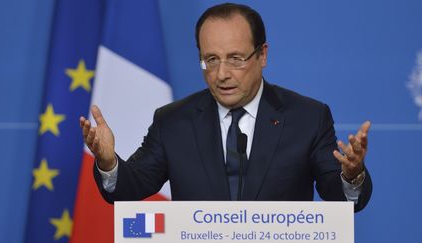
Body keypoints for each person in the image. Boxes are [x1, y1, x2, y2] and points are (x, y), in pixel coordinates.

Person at [80, 3, 372, 212]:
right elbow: (129, 188)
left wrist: (351, 176)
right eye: (211, 60)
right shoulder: (173, 121)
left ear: (262, 55)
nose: (221, 74)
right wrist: (108, 163)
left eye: (235, 59)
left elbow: (342, 201)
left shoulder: (307, 118)